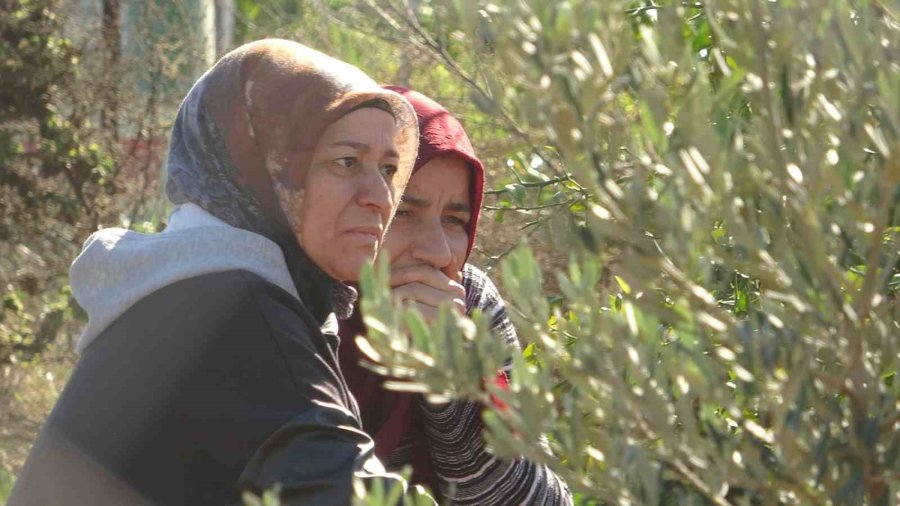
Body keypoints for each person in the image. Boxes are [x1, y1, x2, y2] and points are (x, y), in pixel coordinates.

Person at [10, 39, 421, 505]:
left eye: (389, 168)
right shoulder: (240, 314)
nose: (380, 197)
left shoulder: (197, 289)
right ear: (265, 169)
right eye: (347, 162)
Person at [339, 86, 573, 505]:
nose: (437, 251)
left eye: (453, 220)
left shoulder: (468, 301)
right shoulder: (294, 302)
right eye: (403, 213)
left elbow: (544, 500)